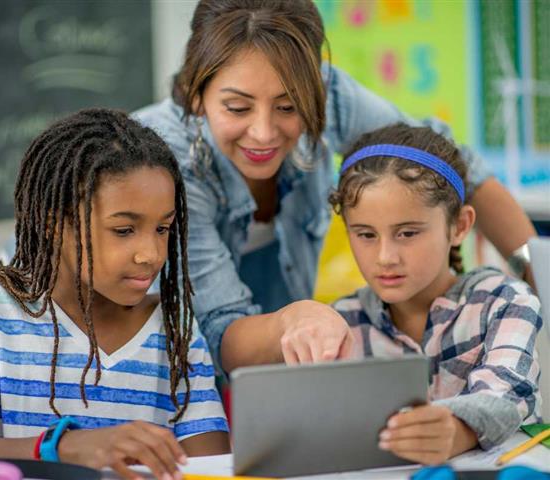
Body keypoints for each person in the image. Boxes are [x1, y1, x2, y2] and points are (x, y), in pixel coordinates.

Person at [133, 0, 538, 377]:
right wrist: (294, 320)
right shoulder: (164, 161)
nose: (264, 132)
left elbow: (451, 167)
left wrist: (537, 280)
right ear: (197, 95)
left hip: (287, 355)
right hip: (180, 370)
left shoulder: (326, 95)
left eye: (289, 107)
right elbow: (219, 329)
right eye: (238, 108)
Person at [0, 109, 230, 479]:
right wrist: (61, 448)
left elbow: (213, 470)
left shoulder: (175, 328)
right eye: (124, 230)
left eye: (162, 229)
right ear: (53, 224)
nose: (151, 254)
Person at [329, 123, 542, 465]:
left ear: (459, 226)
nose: (385, 257)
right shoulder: (340, 323)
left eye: (407, 233)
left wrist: (459, 428)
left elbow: (508, 393)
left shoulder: (506, 301)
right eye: (366, 235)